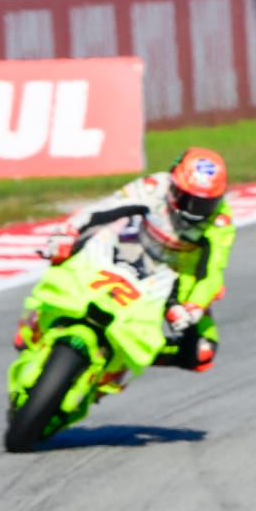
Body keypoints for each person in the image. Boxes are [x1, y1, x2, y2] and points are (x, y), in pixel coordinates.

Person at [39, 148, 234, 373]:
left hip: (178, 274)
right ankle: (40, 316)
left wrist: (193, 307)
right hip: (132, 246)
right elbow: (104, 208)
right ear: (173, 184)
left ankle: (122, 358)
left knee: (202, 353)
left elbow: (212, 271)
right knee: (66, 247)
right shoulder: (154, 187)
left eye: (204, 204)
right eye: (187, 199)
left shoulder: (220, 221)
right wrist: (67, 231)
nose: (194, 212)